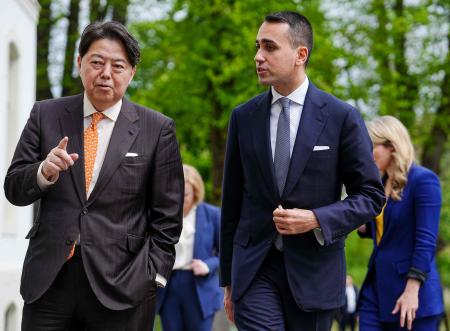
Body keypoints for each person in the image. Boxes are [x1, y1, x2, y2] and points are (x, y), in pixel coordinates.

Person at [4, 21, 184, 330]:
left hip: (122, 287)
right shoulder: (45, 115)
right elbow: (13, 188)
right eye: (97, 62)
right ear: (79, 63)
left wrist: (151, 277)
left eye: (118, 66)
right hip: (49, 281)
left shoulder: (157, 130)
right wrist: (43, 171)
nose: (106, 73)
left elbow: (167, 219)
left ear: (132, 73)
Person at [219, 10, 385, 331]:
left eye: (269, 47)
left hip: (315, 274)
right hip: (255, 270)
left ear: (300, 54)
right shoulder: (243, 118)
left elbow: (370, 196)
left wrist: (316, 219)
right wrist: (228, 281)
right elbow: (232, 203)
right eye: (257, 47)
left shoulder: (342, 117)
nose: (258, 57)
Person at [358, 116, 444, 331]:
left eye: (371, 147)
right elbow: (383, 231)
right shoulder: (377, 185)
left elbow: (426, 240)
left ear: (392, 146)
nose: (366, 154)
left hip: (412, 294)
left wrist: (411, 290)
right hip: (376, 289)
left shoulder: (423, 180)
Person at [157, 164, 223, 331]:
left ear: (195, 192)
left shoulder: (212, 215)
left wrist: (208, 265)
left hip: (199, 288)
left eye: (184, 194)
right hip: (169, 287)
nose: (179, 199)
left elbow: (227, 254)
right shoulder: (163, 216)